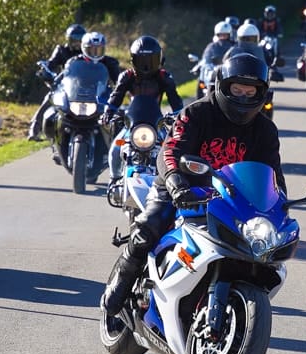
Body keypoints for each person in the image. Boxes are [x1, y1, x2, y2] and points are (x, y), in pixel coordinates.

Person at [100, 53, 286, 319]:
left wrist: (279, 207)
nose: (244, 97)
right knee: (149, 227)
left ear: (262, 93)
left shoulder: (265, 130)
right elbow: (170, 150)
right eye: (237, 89)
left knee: (255, 253)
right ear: (223, 86)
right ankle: (117, 289)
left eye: (250, 91)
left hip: (230, 200)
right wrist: (175, 181)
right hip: (182, 190)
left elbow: (273, 173)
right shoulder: (198, 112)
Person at [103, 35, 185, 183]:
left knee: (170, 149)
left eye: (150, 60)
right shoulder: (127, 76)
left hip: (156, 122)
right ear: (134, 60)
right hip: (132, 122)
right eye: (142, 61)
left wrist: (179, 116)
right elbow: (116, 97)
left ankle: (168, 181)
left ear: (159, 60)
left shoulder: (164, 77)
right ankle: (114, 179)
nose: (146, 65)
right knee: (116, 148)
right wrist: (109, 113)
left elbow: (175, 101)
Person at [28, 31, 119, 141]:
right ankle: (37, 130)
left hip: (101, 96)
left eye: (98, 49)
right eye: (92, 49)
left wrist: (120, 89)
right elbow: (64, 75)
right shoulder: (74, 61)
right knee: (51, 100)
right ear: (84, 48)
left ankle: (117, 144)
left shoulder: (110, 62)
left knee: (118, 114)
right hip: (77, 95)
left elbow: (118, 81)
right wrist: (52, 80)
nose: (95, 53)